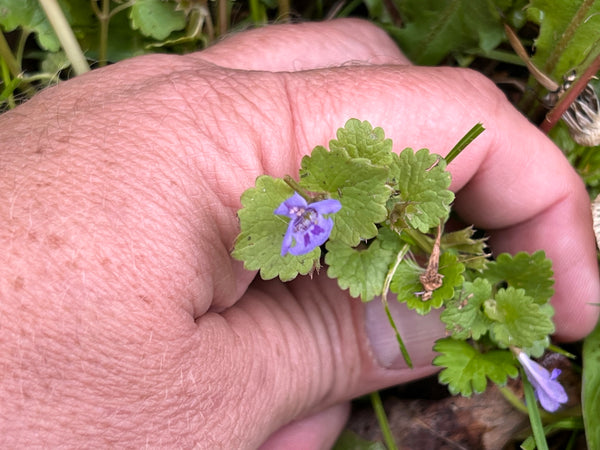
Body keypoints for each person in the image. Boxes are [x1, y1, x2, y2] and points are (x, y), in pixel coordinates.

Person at [0, 18, 597, 448]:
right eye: (305, 219)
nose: (309, 223)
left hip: (361, 208)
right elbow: (303, 225)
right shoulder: (303, 218)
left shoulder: (338, 212)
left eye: (311, 219)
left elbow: (338, 214)